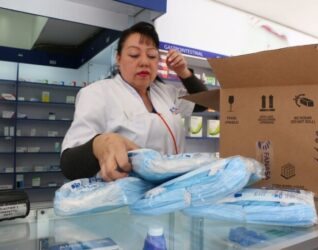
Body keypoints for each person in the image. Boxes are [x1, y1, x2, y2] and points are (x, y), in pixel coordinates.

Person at [60, 22, 208, 182]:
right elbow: (69, 164)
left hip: (172, 193)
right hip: (128, 200)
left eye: (151, 56)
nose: (144, 62)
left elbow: (203, 103)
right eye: (134, 55)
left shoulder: (166, 92)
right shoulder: (97, 94)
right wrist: (98, 144)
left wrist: (183, 72)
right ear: (118, 58)